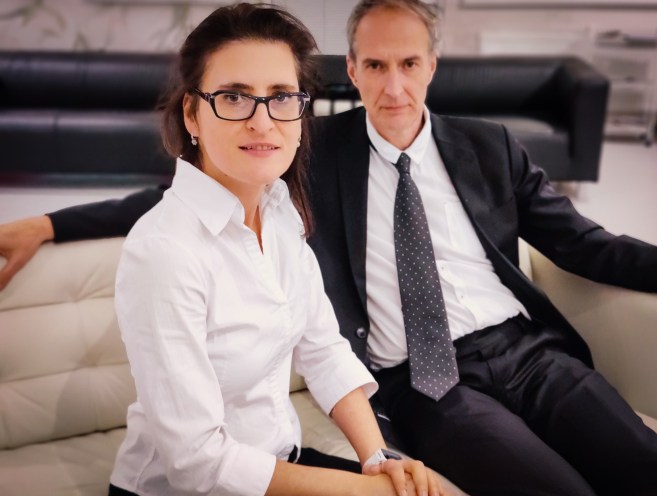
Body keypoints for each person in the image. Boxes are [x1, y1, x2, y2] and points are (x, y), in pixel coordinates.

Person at [1, 0, 657, 495]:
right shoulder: (302, 163)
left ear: (432, 66)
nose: (393, 87)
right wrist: (49, 224)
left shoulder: (475, 149)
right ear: (352, 70)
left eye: (409, 64)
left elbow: (587, 245)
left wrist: (375, 459)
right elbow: (183, 195)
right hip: (425, 382)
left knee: (641, 464)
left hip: (526, 352)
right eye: (375, 65)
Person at [35, 3, 442, 496]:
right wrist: (362, 492)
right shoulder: (164, 251)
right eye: (233, 97)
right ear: (192, 114)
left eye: (281, 97)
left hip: (277, 464)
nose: (262, 121)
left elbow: (324, 351)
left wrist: (378, 461)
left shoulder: (282, 213)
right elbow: (196, 462)